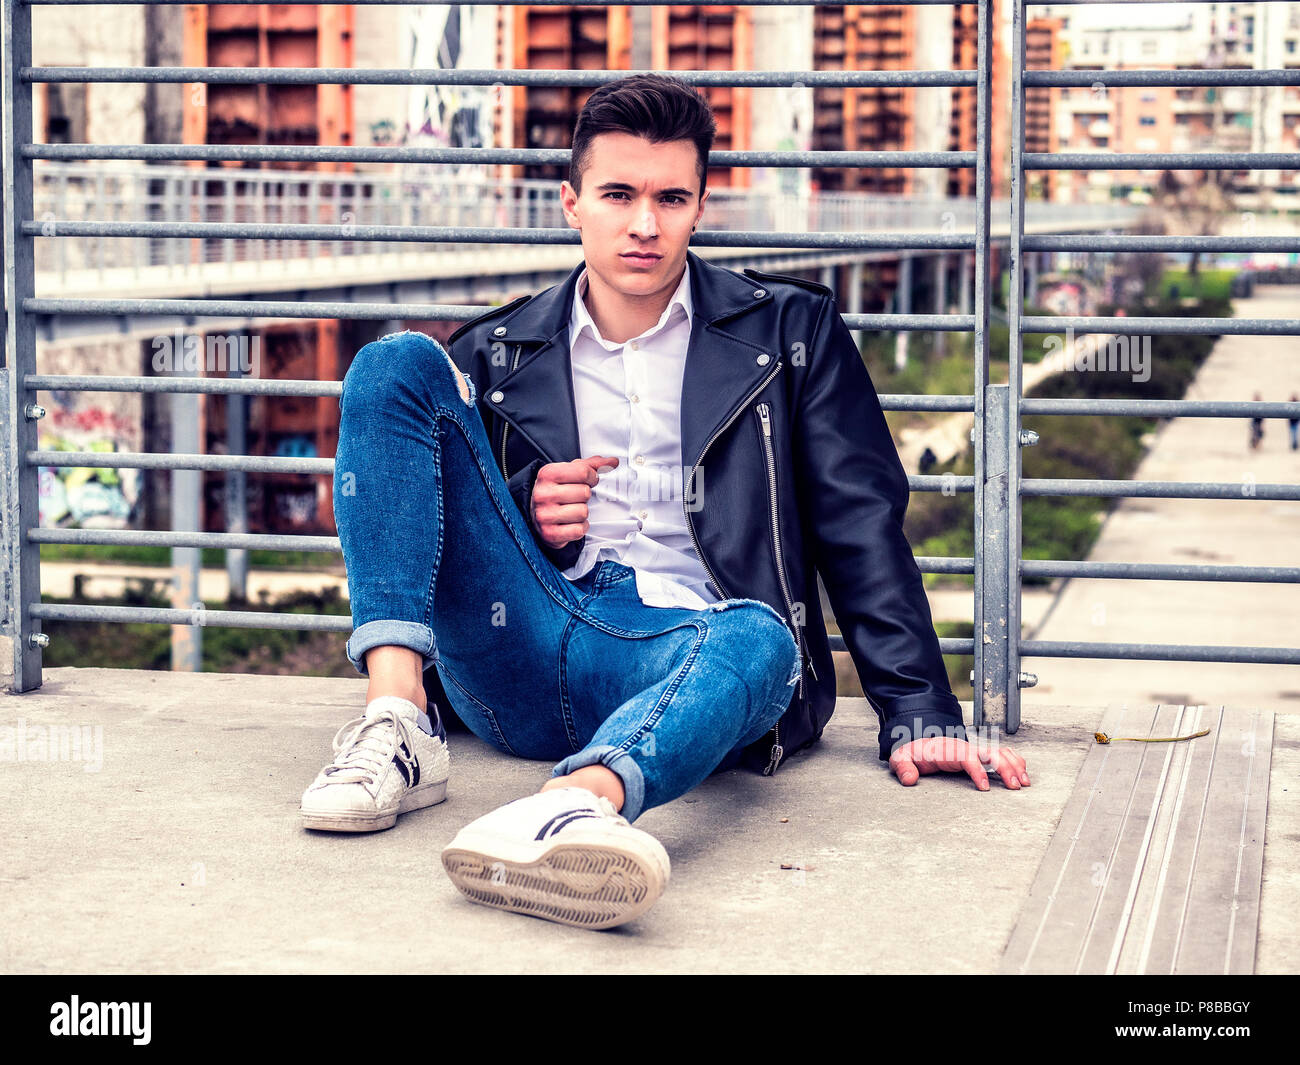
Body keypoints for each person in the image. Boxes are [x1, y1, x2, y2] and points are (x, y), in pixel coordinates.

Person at [301, 73, 1030, 931]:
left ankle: (570, 809)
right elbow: (461, 534)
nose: (644, 224)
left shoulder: (792, 333)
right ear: (572, 202)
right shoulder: (494, 352)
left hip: (691, 658)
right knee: (393, 364)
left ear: (700, 204)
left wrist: (916, 711)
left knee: (762, 635)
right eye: (618, 194)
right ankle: (397, 722)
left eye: (670, 198)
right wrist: (533, 512)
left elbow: (859, 520)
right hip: (527, 648)